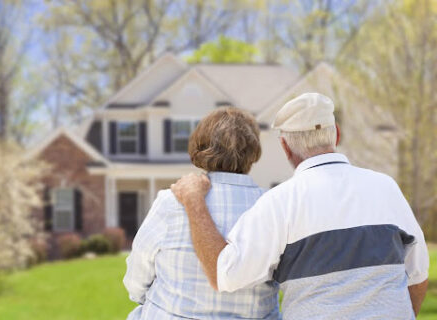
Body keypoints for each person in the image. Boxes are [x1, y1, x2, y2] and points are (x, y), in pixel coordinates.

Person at [171, 93, 429, 320]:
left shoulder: (279, 203)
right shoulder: (385, 188)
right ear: (336, 134)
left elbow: (224, 275)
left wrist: (194, 201)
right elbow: (417, 275)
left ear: (285, 147)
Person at [123, 108, 281, 319]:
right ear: (253, 153)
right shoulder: (273, 207)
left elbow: (137, 276)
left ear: (200, 148)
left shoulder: (171, 202)